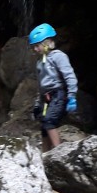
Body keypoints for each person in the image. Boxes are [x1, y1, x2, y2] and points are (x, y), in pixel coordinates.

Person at [29, 22, 77, 151]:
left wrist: (72, 96)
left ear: (46, 42)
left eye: (37, 46)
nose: (35, 49)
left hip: (58, 94)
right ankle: (45, 154)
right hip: (47, 98)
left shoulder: (58, 56)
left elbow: (69, 76)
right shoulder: (40, 63)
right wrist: (37, 105)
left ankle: (58, 151)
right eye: (33, 47)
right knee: (44, 124)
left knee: (50, 121)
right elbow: (41, 87)